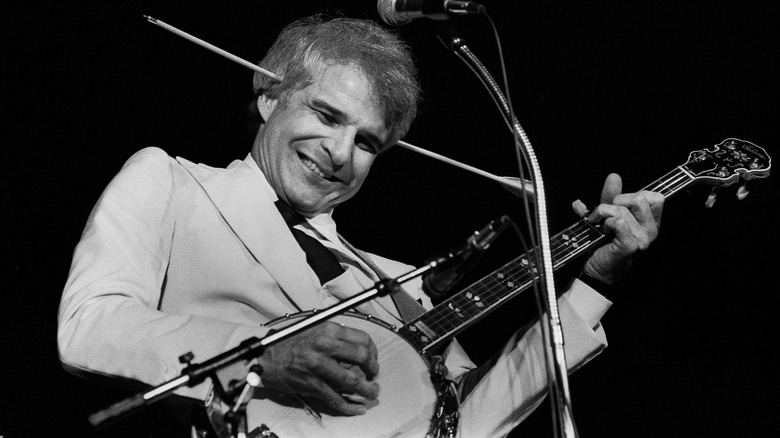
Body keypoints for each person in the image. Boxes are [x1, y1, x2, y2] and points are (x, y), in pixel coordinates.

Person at [58, 14, 664, 438]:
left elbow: (467, 425)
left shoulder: (400, 282)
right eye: (326, 115)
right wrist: (262, 357)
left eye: (368, 142)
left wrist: (596, 285)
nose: (341, 153)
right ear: (270, 97)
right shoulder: (169, 182)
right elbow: (90, 327)